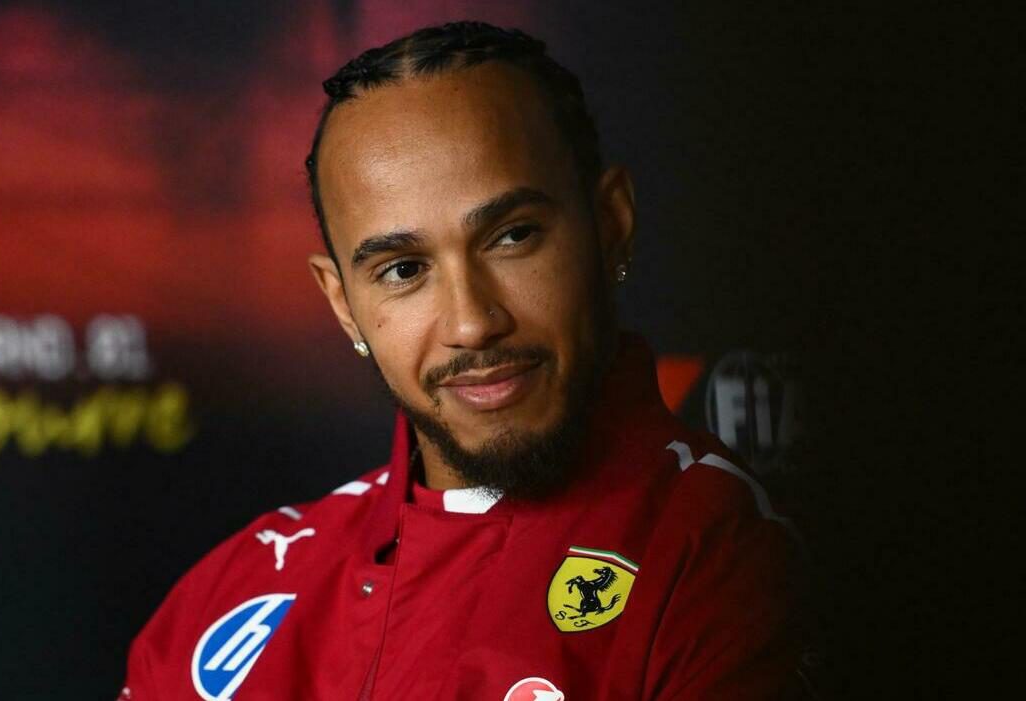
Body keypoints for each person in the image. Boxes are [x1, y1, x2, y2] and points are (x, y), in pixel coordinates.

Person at [122, 21, 801, 700]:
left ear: (611, 226)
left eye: (513, 236)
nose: (472, 323)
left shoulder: (712, 548)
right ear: (343, 303)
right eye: (404, 269)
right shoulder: (231, 591)